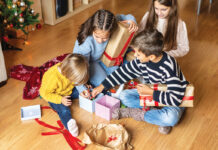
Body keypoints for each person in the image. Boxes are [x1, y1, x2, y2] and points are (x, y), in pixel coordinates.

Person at [92, 29, 189, 134]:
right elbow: (123, 72)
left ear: (151, 56)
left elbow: (176, 99)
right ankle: (157, 115)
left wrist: (151, 93)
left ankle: (137, 114)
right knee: (124, 96)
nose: (135, 56)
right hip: (153, 92)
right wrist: (102, 86)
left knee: (171, 118)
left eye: (138, 54)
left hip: (174, 97)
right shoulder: (142, 61)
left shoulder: (169, 67)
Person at [73, 9, 138, 99]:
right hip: (90, 63)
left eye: (104, 38)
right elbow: (76, 68)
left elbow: (124, 16)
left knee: (117, 79)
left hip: (105, 58)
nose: (100, 41)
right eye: (97, 36)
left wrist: (132, 21)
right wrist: (81, 88)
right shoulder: (85, 43)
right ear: (92, 28)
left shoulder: (112, 23)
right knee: (104, 83)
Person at [39, 54, 89, 137]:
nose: (76, 81)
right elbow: (44, 93)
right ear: (69, 75)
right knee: (64, 110)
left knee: (84, 91)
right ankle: (70, 125)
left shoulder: (69, 71)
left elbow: (75, 84)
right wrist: (61, 99)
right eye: (75, 80)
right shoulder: (53, 77)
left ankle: (104, 94)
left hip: (68, 91)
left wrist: (83, 88)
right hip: (55, 97)